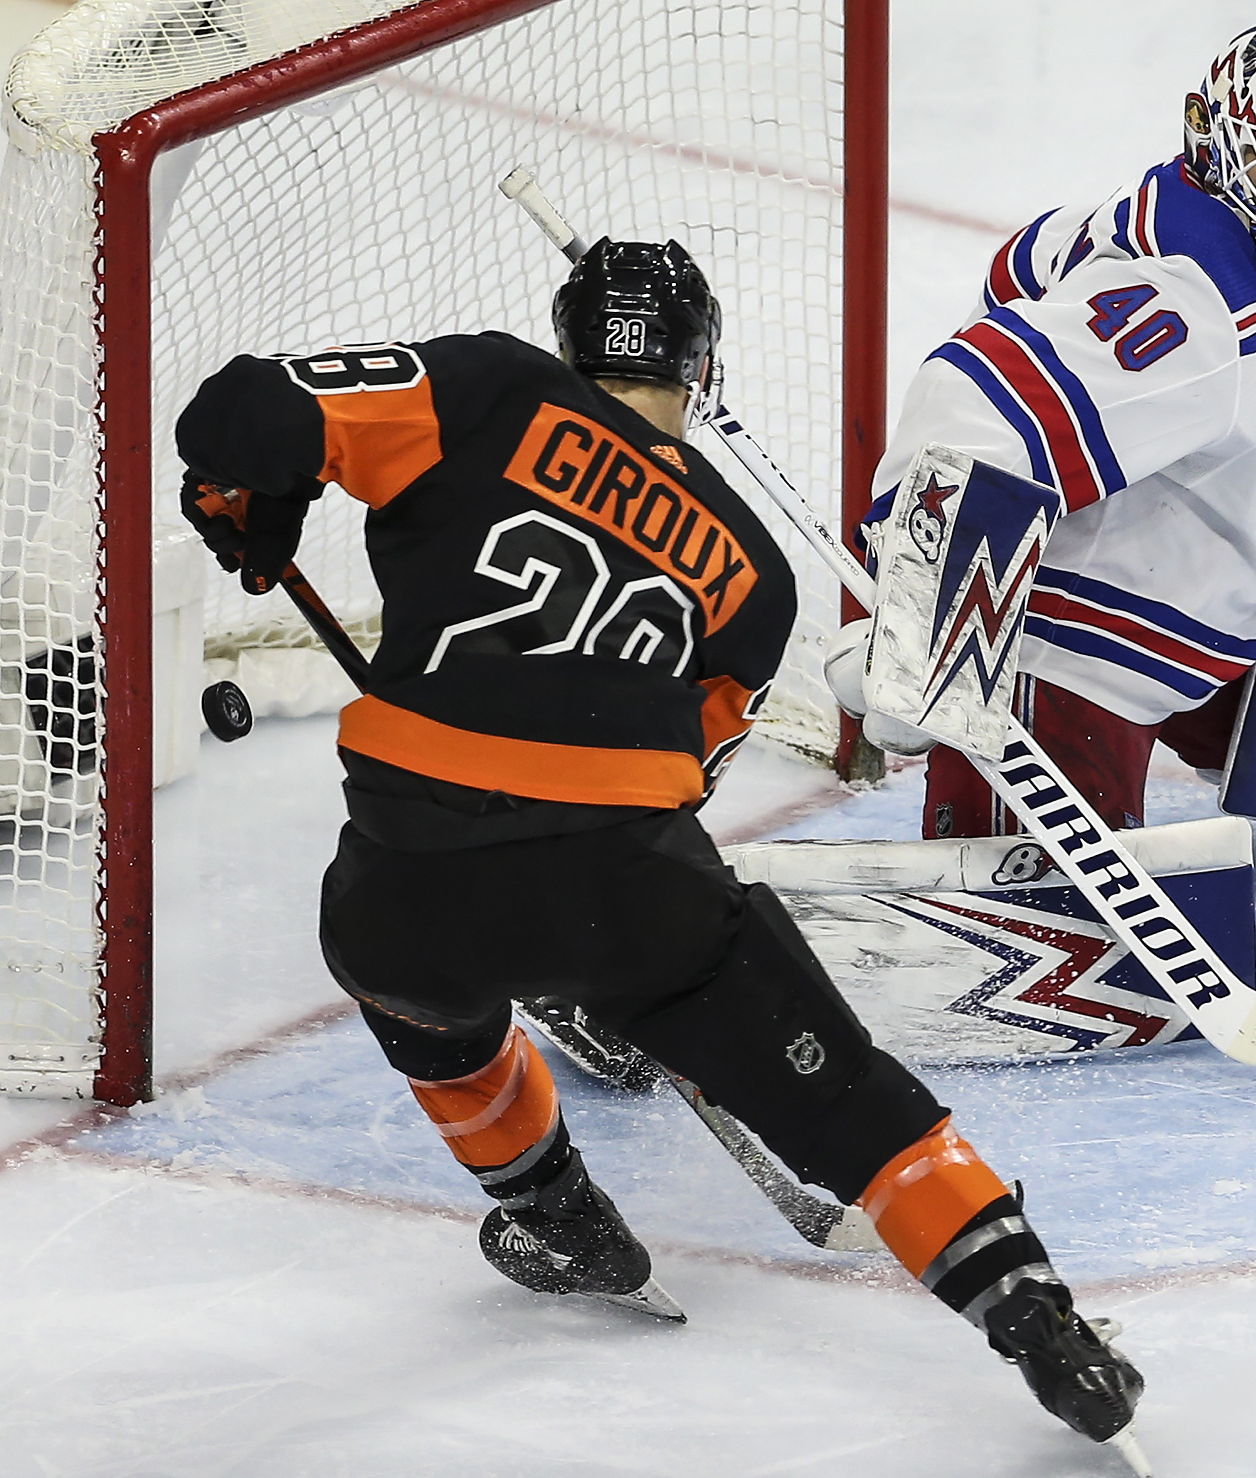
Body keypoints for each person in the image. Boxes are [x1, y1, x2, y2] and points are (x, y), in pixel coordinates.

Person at [173, 238, 1145, 1453]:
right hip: (625, 895)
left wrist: (248, 499)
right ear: (699, 368)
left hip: (406, 889)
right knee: (854, 1104)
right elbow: (680, 770)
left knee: (416, 991)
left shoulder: (484, 387)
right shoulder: (757, 575)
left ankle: (554, 1209)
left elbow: (240, 414)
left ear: (571, 338)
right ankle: (1038, 1317)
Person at [839, 20, 1256, 838]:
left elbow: (1021, 265)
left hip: (1214, 591)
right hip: (1080, 655)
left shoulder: (1209, 222)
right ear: (1210, 134)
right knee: (1041, 907)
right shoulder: (1196, 312)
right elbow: (969, 404)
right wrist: (919, 642)